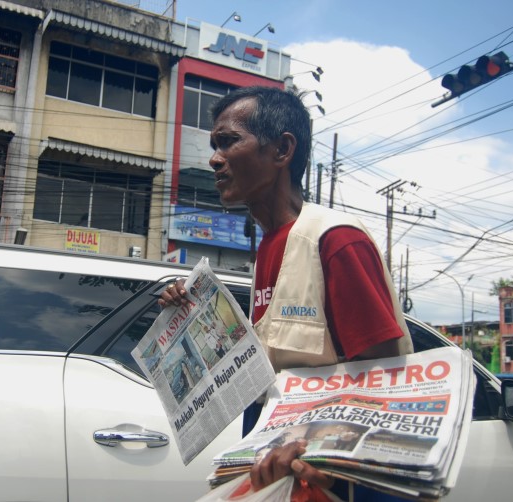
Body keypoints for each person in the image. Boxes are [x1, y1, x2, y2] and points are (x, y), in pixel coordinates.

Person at [159, 86, 413, 501]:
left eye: (228, 142)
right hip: (278, 478)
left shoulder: (335, 241)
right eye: (214, 145)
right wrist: (186, 317)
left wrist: (320, 454)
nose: (215, 158)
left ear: (282, 150)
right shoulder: (271, 247)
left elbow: (383, 382)